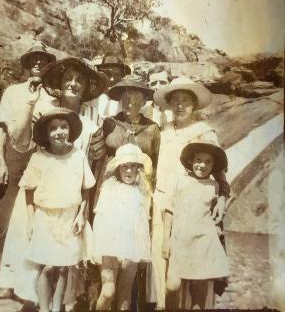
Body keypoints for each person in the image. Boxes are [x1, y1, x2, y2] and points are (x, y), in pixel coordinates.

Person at [0, 57, 107, 308]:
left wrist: (84, 207)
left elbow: (94, 160)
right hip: (42, 198)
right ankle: (34, 302)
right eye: (68, 78)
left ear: (87, 86)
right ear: (59, 82)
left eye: (79, 80)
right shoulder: (44, 109)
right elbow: (23, 144)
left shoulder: (93, 116)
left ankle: (59, 304)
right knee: (35, 255)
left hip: (72, 199)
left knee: (64, 260)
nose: (73, 83)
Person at [151, 76, 230, 309]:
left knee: (196, 271)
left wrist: (223, 198)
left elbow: (219, 173)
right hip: (163, 204)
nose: (180, 105)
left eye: (185, 100)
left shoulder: (204, 131)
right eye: (175, 100)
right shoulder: (162, 131)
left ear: (194, 105)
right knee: (164, 264)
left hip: (194, 208)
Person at [0, 42, 56, 299]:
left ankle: (25, 283)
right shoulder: (13, 92)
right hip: (14, 157)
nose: (38, 63)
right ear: (27, 64)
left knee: (31, 220)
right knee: (6, 219)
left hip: (39, 159)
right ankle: (4, 280)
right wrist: (0, 162)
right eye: (33, 59)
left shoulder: (53, 95)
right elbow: (0, 128)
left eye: (42, 59)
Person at [19, 108, 96, 312]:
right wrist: (31, 219)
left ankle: (57, 308)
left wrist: (81, 214)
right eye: (53, 128)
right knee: (47, 266)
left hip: (69, 218)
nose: (59, 132)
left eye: (64, 126)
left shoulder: (78, 156)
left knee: (63, 267)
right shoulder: (39, 158)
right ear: (46, 134)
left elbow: (86, 188)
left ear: (71, 130)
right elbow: (28, 190)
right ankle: (44, 308)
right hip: (46, 217)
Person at [162, 134, 229, 309]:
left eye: (208, 162)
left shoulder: (214, 186)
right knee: (172, 285)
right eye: (199, 159)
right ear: (191, 161)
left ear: (214, 166)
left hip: (203, 242)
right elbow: (169, 211)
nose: (203, 165)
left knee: (199, 290)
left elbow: (215, 216)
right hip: (180, 240)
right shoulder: (179, 181)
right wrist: (165, 240)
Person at [93, 144, 152, 310]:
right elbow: (101, 220)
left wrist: (141, 250)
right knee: (108, 292)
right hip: (109, 245)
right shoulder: (109, 188)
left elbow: (142, 222)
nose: (128, 171)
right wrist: (100, 247)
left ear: (139, 169)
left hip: (132, 247)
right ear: (118, 168)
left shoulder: (143, 191)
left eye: (133, 167)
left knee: (125, 299)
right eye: (124, 167)